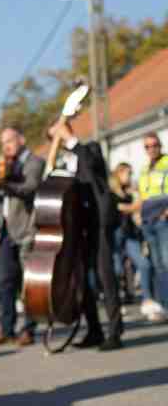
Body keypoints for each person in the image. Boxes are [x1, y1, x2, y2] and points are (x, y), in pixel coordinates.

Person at [46, 117, 123, 350]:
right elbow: (47, 180)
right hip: (75, 227)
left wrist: (70, 139)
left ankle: (115, 331)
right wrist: (55, 146)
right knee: (82, 280)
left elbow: (92, 167)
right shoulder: (59, 161)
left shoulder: (89, 149)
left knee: (105, 275)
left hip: (98, 221)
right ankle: (95, 330)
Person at [0, 127, 43, 347]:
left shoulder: (34, 162)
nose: (5, 146)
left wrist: (3, 183)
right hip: (6, 229)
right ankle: (6, 329)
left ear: (22, 139)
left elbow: (29, 189)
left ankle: (28, 329)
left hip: (27, 228)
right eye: (2, 142)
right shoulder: (4, 166)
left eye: (9, 140)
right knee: (5, 282)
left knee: (28, 283)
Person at [112, 162, 161, 320]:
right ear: (119, 174)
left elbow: (138, 206)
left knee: (144, 264)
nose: (130, 177)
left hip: (129, 234)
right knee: (117, 269)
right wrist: (135, 204)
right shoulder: (111, 191)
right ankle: (116, 303)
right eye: (128, 173)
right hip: (115, 234)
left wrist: (137, 197)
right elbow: (125, 208)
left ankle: (147, 300)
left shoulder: (129, 191)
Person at [135, 133, 168, 316]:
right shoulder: (145, 168)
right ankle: (164, 304)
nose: (151, 149)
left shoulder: (166, 163)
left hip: (163, 219)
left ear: (160, 145)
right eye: (147, 146)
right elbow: (143, 195)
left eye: (154, 145)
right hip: (148, 221)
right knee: (157, 265)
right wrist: (140, 215)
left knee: (167, 261)